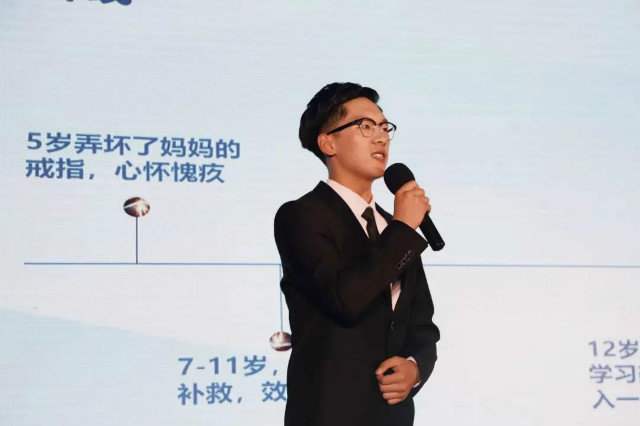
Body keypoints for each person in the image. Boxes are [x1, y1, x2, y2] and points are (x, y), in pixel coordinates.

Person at [274, 82, 440, 426]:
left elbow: (422, 326)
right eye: (365, 126)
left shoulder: (394, 226)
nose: (381, 138)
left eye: (384, 127)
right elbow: (344, 299)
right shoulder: (301, 216)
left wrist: (415, 368)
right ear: (328, 142)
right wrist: (403, 228)